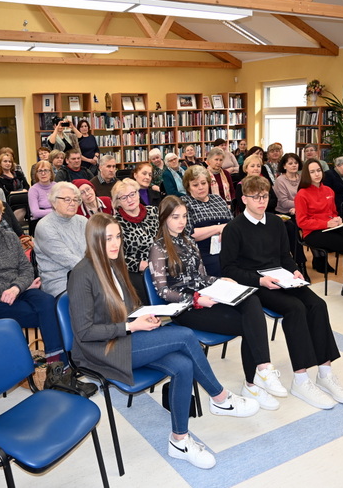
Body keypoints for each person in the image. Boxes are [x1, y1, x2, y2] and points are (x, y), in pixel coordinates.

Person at [68, 213, 259, 470]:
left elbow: (126, 307)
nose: (115, 243)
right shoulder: (81, 274)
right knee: (185, 336)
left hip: (124, 336)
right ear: (93, 240)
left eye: (118, 237)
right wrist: (131, 326)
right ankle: (220, 398)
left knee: (183, 365)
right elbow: (83, 332)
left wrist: (143, 316)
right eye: (107, 238)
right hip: (101, 350)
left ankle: (179, 441)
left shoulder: (114, 263)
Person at [221, 176, 343, 409]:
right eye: (255, 197)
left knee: (318, 305)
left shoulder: (276, 222)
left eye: (264, 196)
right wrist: (260, 280)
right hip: (256, 283)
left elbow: (284, 256)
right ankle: (301, 380)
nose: (261, 201)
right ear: (244, 200)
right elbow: (229, 268)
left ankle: (325, 373)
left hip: (281, 277)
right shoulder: (234, 228)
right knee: (295, 309)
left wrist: (294, 271)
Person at [149, 196, 283, 410]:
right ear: (164, 219)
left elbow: (202, 277)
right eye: (175, 217)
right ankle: (253, 384)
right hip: (185, 308)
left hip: (206, 295)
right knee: (249, 325)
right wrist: (195, 299)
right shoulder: (158, 247)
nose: (182, 221)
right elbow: (163, 291)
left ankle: (263, 369)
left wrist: (220, 280)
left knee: (251, 300)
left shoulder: (189, 241)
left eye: (184, 216)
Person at [0, 195, 66, 366]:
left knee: (49, 302)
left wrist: (17, 288)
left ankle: (55, 361)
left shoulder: (10, 237)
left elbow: (27, 269)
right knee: (46, 315)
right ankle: (59, 363)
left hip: (20, 290)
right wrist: (17, 286)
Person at [295, 160, 343, 301]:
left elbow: (333, 213)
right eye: (312, 172)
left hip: (330, 227)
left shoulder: (328, 190)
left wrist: (337, 219)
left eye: (318, 170)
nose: (317, 174)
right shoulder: (302, 194)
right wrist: (326, 223)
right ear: (306, 174)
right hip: (312, 233)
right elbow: (302, 222)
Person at [33, 182, 88, 298]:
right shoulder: (45, 226)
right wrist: (98, 272)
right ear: (53, 202)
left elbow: (95, 250)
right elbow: (68, 259)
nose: (72, 203)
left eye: (76, 199)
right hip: (60, 281)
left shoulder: (83, 221)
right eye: (67, 199)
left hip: (87, 275)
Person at [112, 178, 159, 304]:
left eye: (132, 194)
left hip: (161, 262)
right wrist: (139, 264)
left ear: (138, 194)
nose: (130, 199)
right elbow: (116, 256)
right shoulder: (115, 223)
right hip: (135, 270)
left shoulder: (153, 212)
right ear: (118, 202)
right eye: (124, 197)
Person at [182, 165, 233, 277]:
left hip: (227, 248)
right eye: (195, 185)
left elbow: (233, 225)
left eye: (203, 183)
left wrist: (226, 230)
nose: (201, 187)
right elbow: (189, 233)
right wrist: (219, 228)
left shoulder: (218, 199)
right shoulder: (185, 203)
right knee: (219, 266)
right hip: (202, 252)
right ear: (188, 187)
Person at [0, 151, 29, 223]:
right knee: (22, 208)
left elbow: (26, 186)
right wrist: (19, 192)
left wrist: (21, 191)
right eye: (5, 161)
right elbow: (4, 192)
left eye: (10, 162)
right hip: (10, 203)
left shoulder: (18, 174)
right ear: (0, 163)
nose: (8, 163)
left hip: (24, 200)